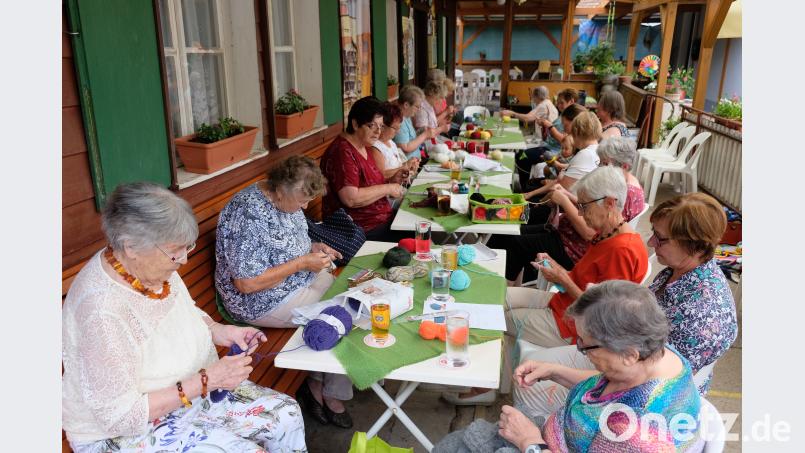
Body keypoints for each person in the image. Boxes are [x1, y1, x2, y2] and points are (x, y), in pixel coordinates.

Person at [63, 182, 307, 452]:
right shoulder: (101, 312)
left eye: (186, 248)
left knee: (285, 414)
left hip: (190, 390)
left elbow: (187, 311)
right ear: (130, 246)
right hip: (127, 430)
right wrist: (206, 380)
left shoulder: (151, 265)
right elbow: (121, 417)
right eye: (175, 251)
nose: (183, 261)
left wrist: (219, 330)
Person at [514, 194, 738, 421]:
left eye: (660, 239)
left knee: (530, 388)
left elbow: (643, 384)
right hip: (621, 358)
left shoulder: (704, 316)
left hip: (641, 403)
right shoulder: (679, 269)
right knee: (533, 369)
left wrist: (562, 375)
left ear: (696, 247)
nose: (651, 243)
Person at [445, 166, 649, 405]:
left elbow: (604, 315)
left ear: (610, 203)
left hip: (575, 326)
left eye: (585, 206)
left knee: (493, 318)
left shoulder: (622, 249)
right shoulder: (607, 234)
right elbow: (584, 280)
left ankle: (482, 386)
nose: (581, 214)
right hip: (563, 304)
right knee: (494, 297)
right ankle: (492, 384)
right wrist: (559, 270)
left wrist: (562, 279)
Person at [435, 281, 704, 453]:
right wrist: (555, 371)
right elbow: (610, 390)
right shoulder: (659, 355)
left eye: (586, 346)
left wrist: (528, 441)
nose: (581, 351)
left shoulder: (637, 432)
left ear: (629, 354)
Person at [215, 155, 355, 428]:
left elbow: (288, 244)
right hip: (262, 299)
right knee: (339, 313)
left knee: (352, 294)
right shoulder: (248, 213)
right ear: (279, 188)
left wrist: (314, 249)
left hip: (299, 280)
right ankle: (329, 393)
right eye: (302, 201)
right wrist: (303, 262)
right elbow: (246, 283)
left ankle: (317, 382)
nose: (304, 206)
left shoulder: (285, 200)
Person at [500, 136, 646, 285]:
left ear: (625, 166)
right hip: (567, 236)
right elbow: (596, 208)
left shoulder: (625, 194)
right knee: (515, 233)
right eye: (600, 162)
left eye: (605, 163)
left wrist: (564, 200)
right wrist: (568, 195)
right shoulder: (620, 187)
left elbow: (590, 233)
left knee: (516, 241)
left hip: (573, 247)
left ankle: (507, 290)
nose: (600, 168)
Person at [321, 96, 410, 241]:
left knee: (418, 222)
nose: (377, 132)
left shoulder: (364, 145)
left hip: (379, 220)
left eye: (380, 126)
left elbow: (367, 185)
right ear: (355, 124)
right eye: (371, 125)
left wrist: (390, 181)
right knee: (418, 234)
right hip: (359, 229)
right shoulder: (342, 152)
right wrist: (388, 189)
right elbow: (351, 198)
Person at [370, 102, 420, 179]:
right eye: (395, 128)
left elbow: (398, 167)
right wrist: (405, 166)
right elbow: (381, 175)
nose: (398, 131)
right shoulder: (375, 147)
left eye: (399, 128)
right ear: (382, 126)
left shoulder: (391, 142)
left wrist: (410, 167)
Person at [394, 84, 438, 160]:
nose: (419, 109)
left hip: (417, 161)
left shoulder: (406, 117)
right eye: (417, 106)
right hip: (408, 167)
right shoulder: (398, 120)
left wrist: (421, 131)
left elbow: (411, 139)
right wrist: (425, 135)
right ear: (406, 105)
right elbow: (405, 148)